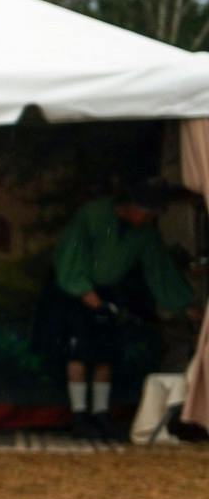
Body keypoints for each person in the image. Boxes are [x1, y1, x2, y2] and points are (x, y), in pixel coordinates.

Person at [46, 182, 198, 438]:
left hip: (108, 293)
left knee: (106, 354)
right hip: (75, 289)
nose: (150, 218)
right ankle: (80, 414)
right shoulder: (92, 215)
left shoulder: (145, 232)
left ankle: (101, 413)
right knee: (79, 354)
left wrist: (184, 305)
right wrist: (83, 289)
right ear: (129, 207)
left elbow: (159, 267)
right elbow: (71, 250)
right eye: (147, 212)